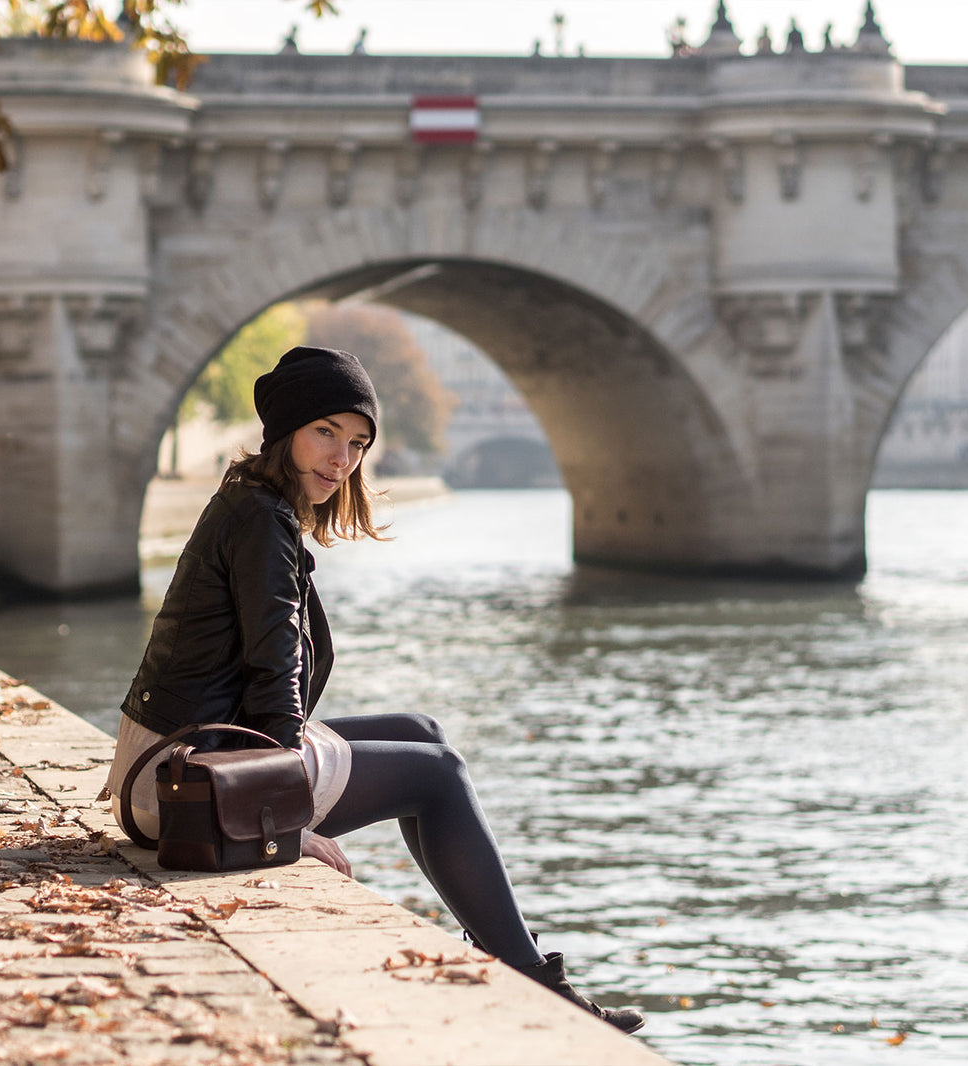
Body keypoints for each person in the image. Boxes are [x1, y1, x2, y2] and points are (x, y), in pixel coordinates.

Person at [106, 346, 645, 1034]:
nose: (342, 458)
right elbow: (277, 671)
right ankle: (530, 975)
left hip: (181, 760)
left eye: (358, 443)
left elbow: (263, 675)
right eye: (326, 433)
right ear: (286, 432)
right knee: (440, 776)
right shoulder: (261, 521)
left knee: (422, 732)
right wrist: (284, 821)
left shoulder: (250, 502)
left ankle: (511, 956)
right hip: (188, 788)